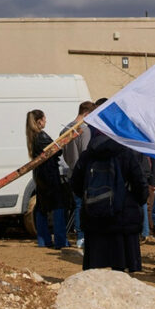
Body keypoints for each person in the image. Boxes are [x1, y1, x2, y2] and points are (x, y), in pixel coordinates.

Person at [70, 129, 147, 272]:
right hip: (122, 218)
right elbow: (139, 182)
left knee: (95, 269)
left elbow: (75, 183)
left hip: (94, 220)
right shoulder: (125, 153)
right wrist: (138, 200)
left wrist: (91, 199)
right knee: (121, 269)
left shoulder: (87, 156)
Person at [25, 109, 73, 249]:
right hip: (49, 175)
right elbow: (56, 150)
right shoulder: (42, 137)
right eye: (44, 119)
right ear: (39, 121)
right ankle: (60, 240)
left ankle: (44, 239)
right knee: (58, 206)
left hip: (40, 175)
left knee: (42, 207)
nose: (46, 121)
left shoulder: (33, 136)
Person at [61, 101, 95, 248]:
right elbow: (86, 153)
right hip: (83, 173)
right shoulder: (84, 130)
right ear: (87, 114)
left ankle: (80, 235)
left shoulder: (65, 129)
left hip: (71, 172)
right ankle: (82, 236)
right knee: (83, 206)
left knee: (77, 205)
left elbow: (64, 154)